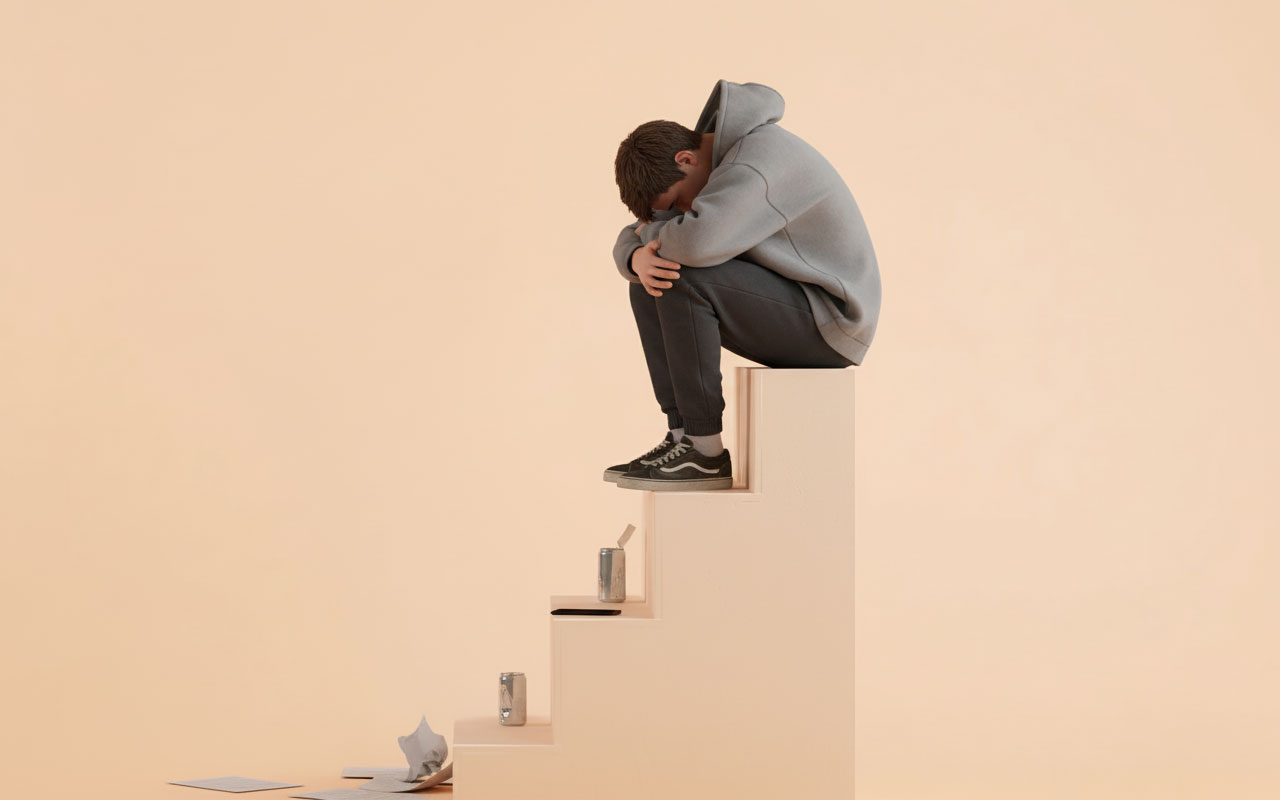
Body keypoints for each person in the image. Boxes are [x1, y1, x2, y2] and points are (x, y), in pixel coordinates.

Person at [605, 79, 881, 492]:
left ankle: (704, 452)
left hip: (831, 320)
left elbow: (694, 242)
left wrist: (648, 240)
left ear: (685, 159)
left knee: (679, 274)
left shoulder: (756, 161)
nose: (680, 211)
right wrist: (634, 257)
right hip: (793, 300)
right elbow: (644, 232)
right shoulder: (712, 166)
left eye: (676, 203)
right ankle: (682, 439)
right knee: (651, 278)